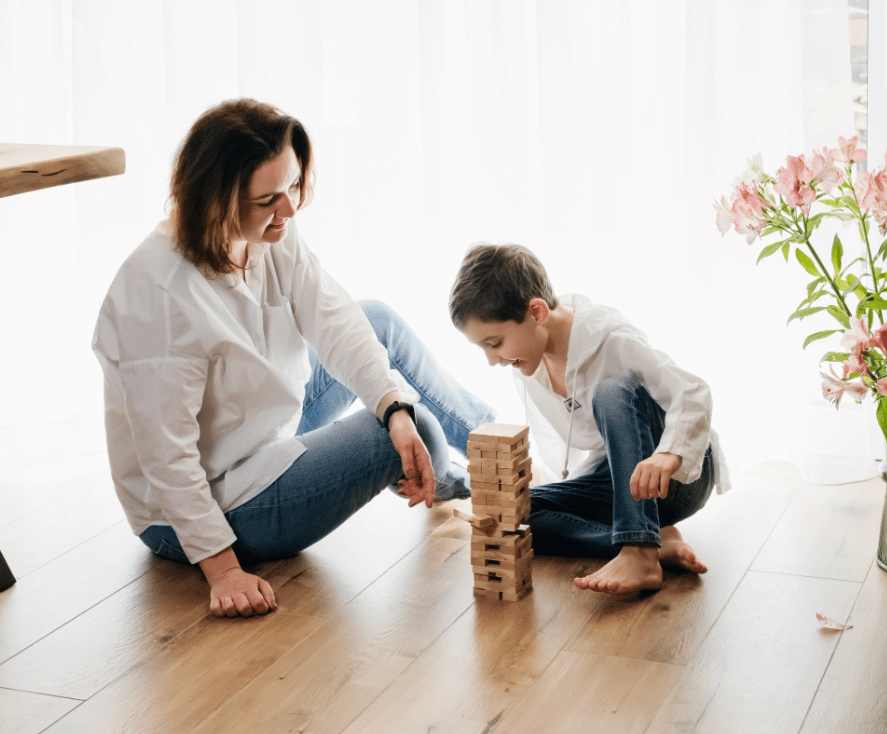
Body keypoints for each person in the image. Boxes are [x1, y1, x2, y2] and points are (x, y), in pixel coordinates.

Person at [92, 99, 494, 619]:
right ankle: (471, 485)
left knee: (378, 325)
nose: (289, 209)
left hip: (263, 433)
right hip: (201, 505)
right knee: (412, 436)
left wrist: (392, 406)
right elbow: (165, 458)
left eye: (293, 187)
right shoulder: (158, 297)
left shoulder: (269, 229)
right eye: (268, 199)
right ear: (215, 201)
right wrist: (224, 570)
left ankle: (494, 445)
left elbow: (334, 318)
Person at [449, 243, 730, 595]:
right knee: (517, 514)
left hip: (677, 477)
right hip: (621, 483)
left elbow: (693, 391)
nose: (493, 360)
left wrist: (668, 454)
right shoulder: (528, 362)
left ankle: (640, 551)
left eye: (495, 343)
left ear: (536, 312)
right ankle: (648, 542)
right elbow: (562, 449)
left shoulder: (611, 339)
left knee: (612, 391)